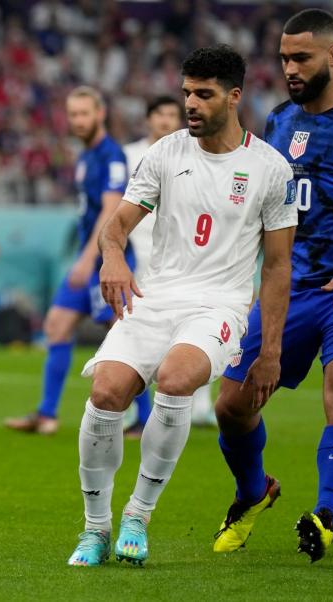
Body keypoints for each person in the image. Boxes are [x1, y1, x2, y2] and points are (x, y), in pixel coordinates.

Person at [66, 45, 297, 567]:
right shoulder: (166, 152)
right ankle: (95, 529)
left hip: (218, 306)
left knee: (174, 381)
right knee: (105, 394)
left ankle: (137, 516)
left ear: (234, 97)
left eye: (204, 94)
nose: (191, 103)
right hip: (155, 296)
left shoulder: (271, 170)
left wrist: (271, 352)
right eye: (186, 92)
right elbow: (117, 225)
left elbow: (279, 267)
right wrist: (112, 257)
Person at [211, 9, 333, 563]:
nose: (290, 68)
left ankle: (324, 518)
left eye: (301, 58)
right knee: (232, 404)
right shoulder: (277, 123)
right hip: (290, 288)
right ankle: (253, 492)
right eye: (283, 58)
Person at [4, 86, 150, 436]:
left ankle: (144, 419)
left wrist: (88, 259)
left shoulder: (111, 155)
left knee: (120, 332)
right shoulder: (85, 156)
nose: (78, 120)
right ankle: (47, 414)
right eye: (73, 115)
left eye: (85, 113)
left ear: (100, 114)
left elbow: (111, 211)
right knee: (56, 324)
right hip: (88, 258)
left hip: (105, 260)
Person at [122, 95, 220, 434]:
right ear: (148, 119)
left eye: (171, 114)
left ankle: (201, 405)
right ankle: (138, 409)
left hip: (182, 257)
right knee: (138, 331)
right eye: (159, 113)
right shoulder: (129, 156)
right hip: (139, 255)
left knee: (193, 327)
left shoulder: (197, 154)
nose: (165, 120)